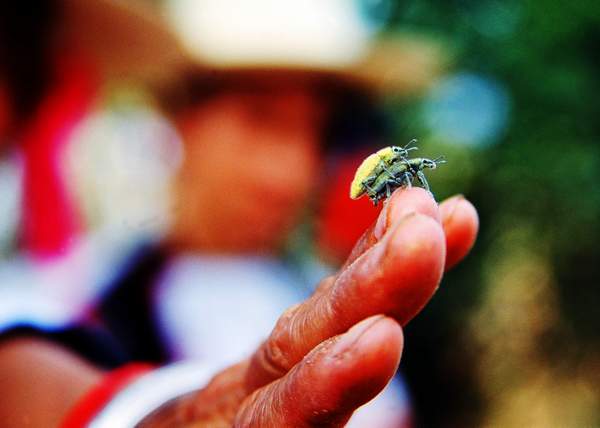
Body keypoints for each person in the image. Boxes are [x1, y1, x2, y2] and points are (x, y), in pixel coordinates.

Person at [0, 1, 479, 426]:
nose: (290, 171)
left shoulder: (340, 303)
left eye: (314, 134)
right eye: (260, 121)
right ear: (181, 118)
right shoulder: (68, 302)